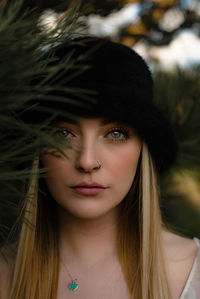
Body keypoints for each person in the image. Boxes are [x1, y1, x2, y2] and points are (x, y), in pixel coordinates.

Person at [0, 37, 200, 299]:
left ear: (143, 150)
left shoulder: (194, 273)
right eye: (63, 133)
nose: (87, 161)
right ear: (37, 147)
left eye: (115, 134)